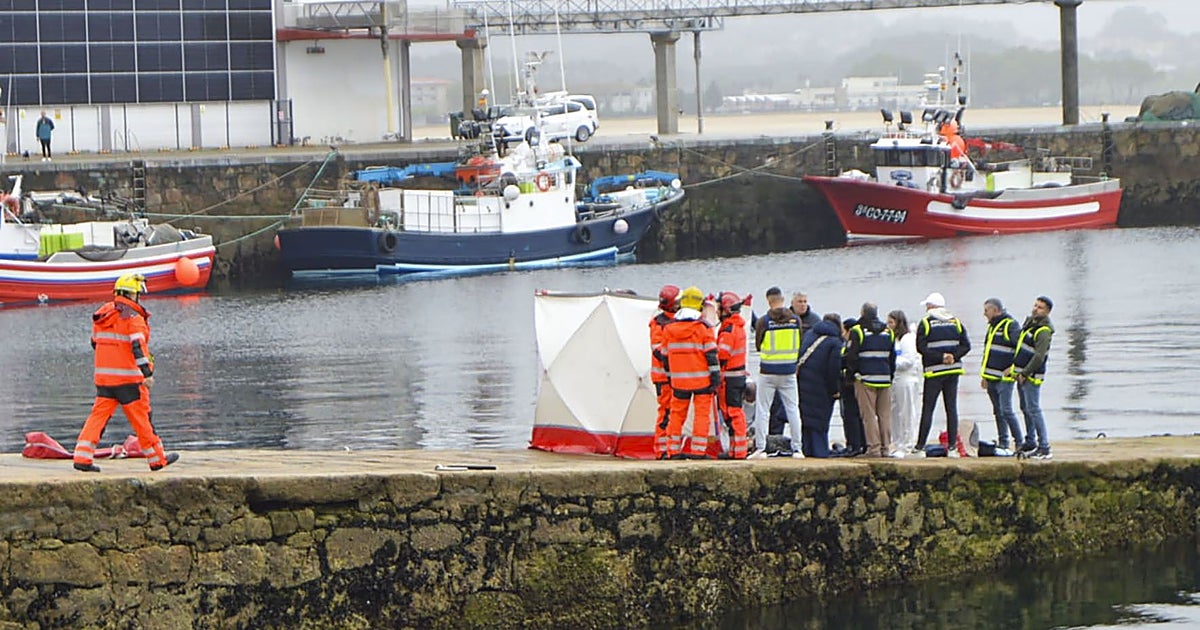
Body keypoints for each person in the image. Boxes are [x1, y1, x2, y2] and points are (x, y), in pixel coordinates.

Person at [73, 273, 178, 472]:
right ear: (132, 295)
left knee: (97, 418)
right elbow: (137, 347)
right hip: (130, 380)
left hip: (104, 379)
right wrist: (147, 373)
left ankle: (82, 458)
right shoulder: (133, 318)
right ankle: (157, 460)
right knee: (142, 420)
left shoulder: (102, 314)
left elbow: (94, 343)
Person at [663, 286, 720, 459]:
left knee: (676, 416)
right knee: (701, 416)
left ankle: (672, 450)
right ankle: (698, 451)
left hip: (679, 382)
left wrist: (671, 376)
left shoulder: (669, 329)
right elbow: (711, 355)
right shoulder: (703, 328)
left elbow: (665, 356)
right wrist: (715, 378)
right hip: (702, 381)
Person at [914, 292, 971, 458]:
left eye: (927, 306)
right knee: (951, 408)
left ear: (931, 306)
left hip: (934, 371)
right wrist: (953, 356)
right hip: (953, 371)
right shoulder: (956, 321)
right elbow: (966, 345)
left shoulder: (926, 323)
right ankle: (952, 447)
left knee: (928, 408)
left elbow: (921, 347)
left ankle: (920, 447)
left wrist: (940, 357)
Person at [749, 286, 803, 459]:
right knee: (793, 409)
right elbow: (799, 342)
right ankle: (797, 448)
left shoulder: (764, 321)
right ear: (783, 300)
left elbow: (758, 345)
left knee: (763, 410)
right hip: (789, 371)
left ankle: (761, 448)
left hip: (768, 370)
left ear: (768, 301)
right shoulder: (795, 320)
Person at [845, 303, 896, 458]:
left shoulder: (858, 331)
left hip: (866, 378)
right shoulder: (888, 332)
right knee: (884, 415)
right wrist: (890, 375)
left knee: (868, 415)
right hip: (885, 378)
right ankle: (885, 448)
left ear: (862, 313)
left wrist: (851, 375)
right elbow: (892, 357)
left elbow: (852, 356)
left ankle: (873, 448)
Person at [1010, 296, 1056, 460]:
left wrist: (1025, 373)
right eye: (1035, 306)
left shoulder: (1043, 331)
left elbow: (1039, 356)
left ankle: (1044, 446)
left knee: (1034, 409)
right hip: (1021, 374)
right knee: (1027, 408)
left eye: (1040, 307)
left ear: (1047, 312)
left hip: (1031, 376)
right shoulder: (1030, 325)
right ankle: (1032, 441)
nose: (1036, 309)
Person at [796, 313, 843, 458]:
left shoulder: (810, 334)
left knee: (806, 420)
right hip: (821, 387)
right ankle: (820, 452)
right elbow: (833, 370)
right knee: (819, 422)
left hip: (803, 384)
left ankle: (807, 451)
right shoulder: (834, 342)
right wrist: (834, 390)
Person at [980, 297, 1023, 451]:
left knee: (1006, 410)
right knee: (997, 411)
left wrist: (1014, 368)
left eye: (986, 310)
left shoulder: (1010, 325)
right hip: (991, 376)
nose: (984, 314)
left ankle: (1019, 441)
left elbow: (1021, 348)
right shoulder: (992, 327)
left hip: (1004, 377)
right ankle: (1003, 441)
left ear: (995, 310)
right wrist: (984, 375)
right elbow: (987, 352)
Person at [716, 292, 750, 459]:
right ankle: (735, 449)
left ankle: (738, 451)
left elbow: (722, 354)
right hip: (735, 376)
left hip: (730, 378)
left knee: (732, 413)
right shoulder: (738, 327)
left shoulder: (729, 330)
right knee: (733, 414)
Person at [649, 285, 680, 459]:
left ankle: (669, 448)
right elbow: (658, 350)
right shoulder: (658, 323)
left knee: (672, 412)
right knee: (666, 412)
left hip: (672, 376)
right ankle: (661, 450)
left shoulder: (676, 321)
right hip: (663, 377)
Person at [887, 310, 921, 456]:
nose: (889, 326)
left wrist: (891, 363)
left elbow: (909, 361)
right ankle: (897, 442)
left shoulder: (908, 339)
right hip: (895, 380)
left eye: (891, 323)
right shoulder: (895, 340)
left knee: (906, 412)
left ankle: (907, 444)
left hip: (906, 379)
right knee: (895, 412)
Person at [838, 317, 866, 456]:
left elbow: (847, 362)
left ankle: (855, 445)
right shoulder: (855, 343)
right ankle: (860, 443)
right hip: (854, 383)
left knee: (851, 415)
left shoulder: (849, 345)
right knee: (857, 415)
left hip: (848, 384)